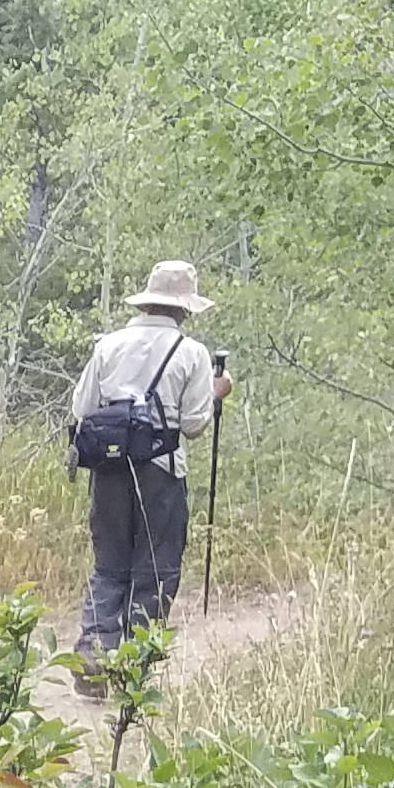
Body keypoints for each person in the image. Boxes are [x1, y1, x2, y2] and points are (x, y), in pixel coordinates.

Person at [67, 258, 225, 667]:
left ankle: (94, 656)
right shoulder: (192, 353)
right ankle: (135, 663)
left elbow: (81, 407)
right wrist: (214, 393)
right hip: (162, 471)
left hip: (108, 469)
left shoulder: (108, 345)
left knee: (109, 564)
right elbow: (192, 425)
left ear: (148, 302)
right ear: (185, 307)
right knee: (156, 566)